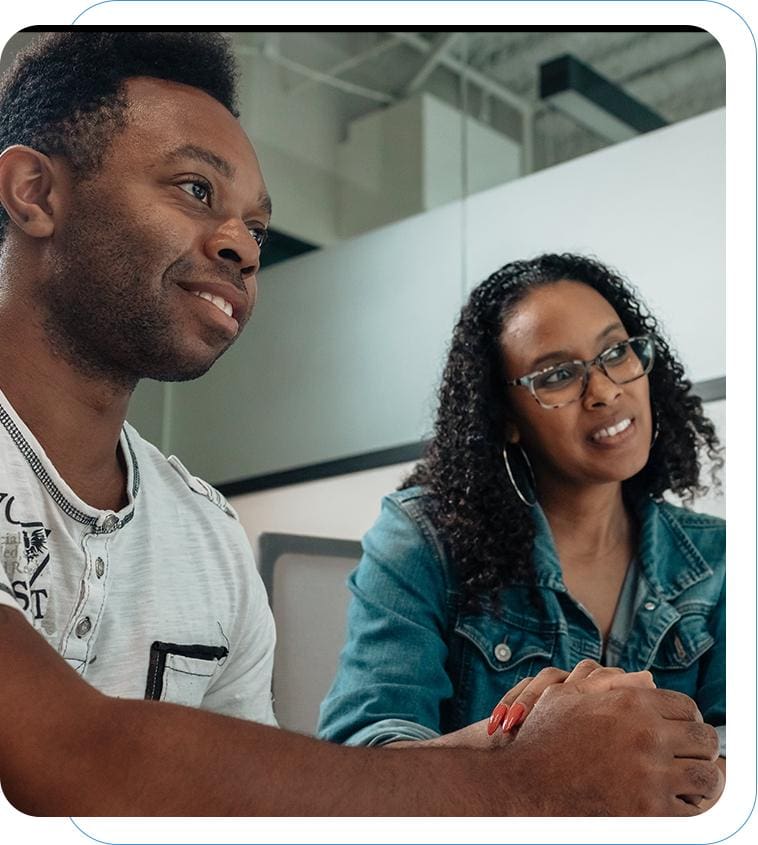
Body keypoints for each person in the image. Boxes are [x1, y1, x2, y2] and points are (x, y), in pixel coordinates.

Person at [0, 33, 722, 816]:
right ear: (34, 190)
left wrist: (525, 749)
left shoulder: (206, 536)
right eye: (196, 189)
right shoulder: (424, 536)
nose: (241, 245)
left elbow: (269, 804)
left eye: (258, 227)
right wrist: (521, 777)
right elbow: (66, 751)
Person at [318, 254, 725, 800]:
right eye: (557, 375)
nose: (604, 391)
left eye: (615, 352)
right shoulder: (424, 538)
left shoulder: (719, 556)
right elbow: (364, 757)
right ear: (504, 416)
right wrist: (532, 753)